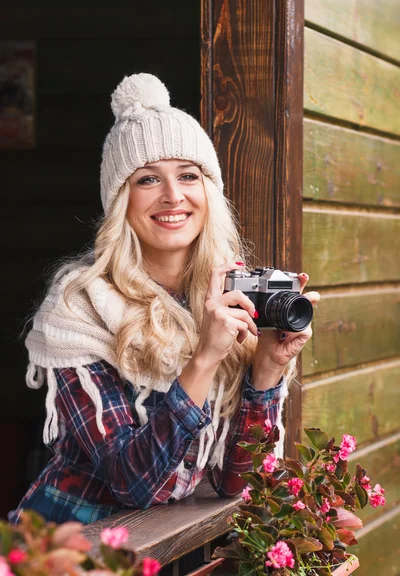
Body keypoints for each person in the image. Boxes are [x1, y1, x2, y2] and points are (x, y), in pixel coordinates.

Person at [9, 73, 319, 525]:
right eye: (149, 179)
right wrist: (205, 357)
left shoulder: (225, 294)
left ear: (207, 192)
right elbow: (134, 483)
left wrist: (267, 368)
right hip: (67, 549)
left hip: (159, 550)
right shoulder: (80, 307)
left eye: (188, 175)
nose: (173, 196)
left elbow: (239, 481)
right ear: (121, 201)